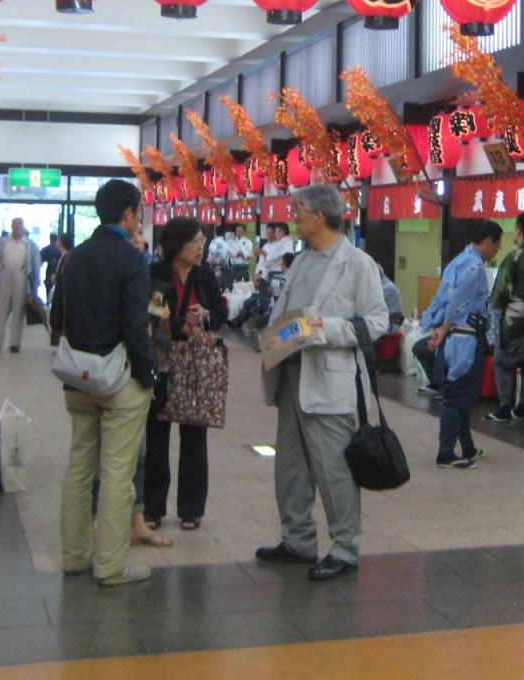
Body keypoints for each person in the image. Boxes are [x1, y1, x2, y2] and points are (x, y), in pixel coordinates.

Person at [256, 184, 388, 582]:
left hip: (330, 382)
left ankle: (345, 548)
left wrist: (322, 329)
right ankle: (297, 540)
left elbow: (377, 322)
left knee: (334, 470)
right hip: (290, 376)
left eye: (298, 210)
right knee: (291, 469)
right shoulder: (301, 261)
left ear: (319, 216)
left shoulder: (357, 263)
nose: (292, 216)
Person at [50, 179, 160, 587]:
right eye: (138, 213)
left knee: (80, 466)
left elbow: (55, 318)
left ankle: (74, 556)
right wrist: (149, 374)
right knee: (117, 473)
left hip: (78, 379)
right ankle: (110, 566)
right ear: (128, 214)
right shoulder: (132, 261)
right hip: (119, 380)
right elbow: (135, 326)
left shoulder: (73, 258)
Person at [145, 217, 226, 532]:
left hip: (195, 363)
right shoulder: (156, 274)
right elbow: (153, 316)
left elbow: (219, 316)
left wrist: (205, 316)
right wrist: (182, 324)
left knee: (194, 435)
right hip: (162, 359)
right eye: (195, 242)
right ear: (176, 244)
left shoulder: (205, 276)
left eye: (203, 241)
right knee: (157, 434)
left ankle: (191, 509)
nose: (200, 248)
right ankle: (153, 507)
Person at [422, 220, 503, 469]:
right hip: (464, 338)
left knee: (463, 395)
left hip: (453, 336)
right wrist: (445, 328)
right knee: (458, 396)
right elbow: (459, 300)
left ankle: (467, 447)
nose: (497, 251)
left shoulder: (457, 261)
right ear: (488, 241)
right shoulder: (474, 266)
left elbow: (441, 297)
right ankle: (445, 452)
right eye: (497, 245)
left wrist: (436, 326)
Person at [485, 211, 524, 423]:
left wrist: (495, 309)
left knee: (502, 361)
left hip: (515, 314)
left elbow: (501, 291)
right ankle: (521, 408)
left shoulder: (513, 257)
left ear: (519, 230)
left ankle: (504, 407)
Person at [0, 217, 41, 354]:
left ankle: (14, 343)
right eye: (15, 225)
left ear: (23, 228)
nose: (17, 228)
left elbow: (36, 265)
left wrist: (35, 287)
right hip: (4, 276)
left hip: (21, 277)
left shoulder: (30, 244)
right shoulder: (2, 242)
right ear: (11, 226)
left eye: (19, 225)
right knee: (0, 310)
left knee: (18, 310)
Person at [379, 265, 404, 333]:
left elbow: (369, 306)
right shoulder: (385, 284)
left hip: (392, 325)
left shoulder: (386, 288)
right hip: (392, 321)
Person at [41, 232, 62, 303]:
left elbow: (40, 261)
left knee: (49, 289)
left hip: (49, 272)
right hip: (59, 272)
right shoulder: (60, 249)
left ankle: (48, 302)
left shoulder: (46, 249)